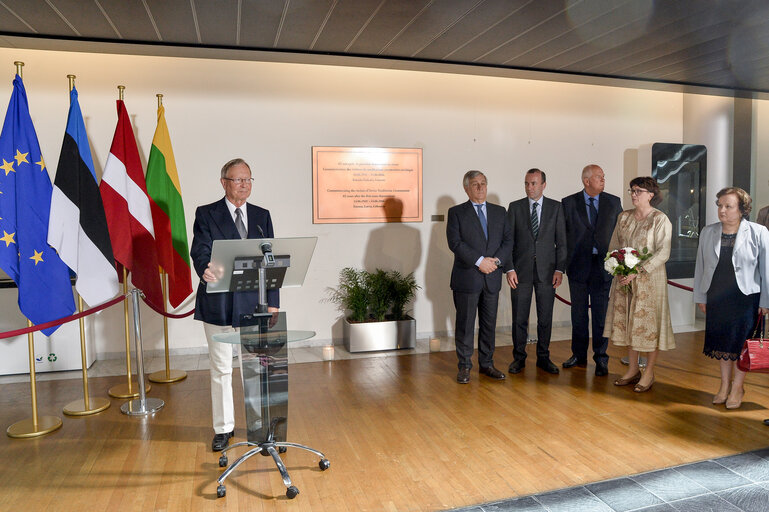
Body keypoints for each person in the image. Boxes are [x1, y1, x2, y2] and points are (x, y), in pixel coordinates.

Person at [190, 158, 279, 451]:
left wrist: (274, 302)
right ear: (224, 182)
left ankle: (260, 428)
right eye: (239, 180)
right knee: (221, 369)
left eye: (248, 180)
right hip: (219, 303)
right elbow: (200, 248)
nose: (244, 185)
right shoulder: (206, 213)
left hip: (255, 303)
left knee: (255, 368)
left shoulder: (261, 215)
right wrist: (203, 266)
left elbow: (272, 259)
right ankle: (223, 428)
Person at [694, 187, 769, 409]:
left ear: (742, 209)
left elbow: (767, 270)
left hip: (745, 298)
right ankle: (724, 385)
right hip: (717, 297)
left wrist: (765, 302)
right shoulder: (708, 232)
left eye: (728, 206)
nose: (722, 210)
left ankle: (738, 387)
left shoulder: (759, 232)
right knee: (722, 343)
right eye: (720, 205)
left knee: (739, 344)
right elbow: (700, 267)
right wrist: (701, 296)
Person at [604, 177, 674, 392]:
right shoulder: (623, 217)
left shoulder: (660, 219)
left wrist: (638, 271)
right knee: (628, 324)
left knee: (649, 326)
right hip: (625, 281)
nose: (633, 194)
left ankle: (649, 372)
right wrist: (617, 268)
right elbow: (614, 247)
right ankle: (632, 369)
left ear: (651, 194)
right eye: (631, 190)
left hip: (650, 281)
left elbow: (664, 252)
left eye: (638, 191)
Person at [447, 170, 513, 384]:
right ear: (466, 188)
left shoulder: (500, 211)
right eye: (475, 184)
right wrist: (479, 261)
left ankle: (487, 364)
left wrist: (495, 262)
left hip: (492, 277)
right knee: (465, 325)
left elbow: (507, 241)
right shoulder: (456, 212)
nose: (480, 187)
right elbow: (455, 243)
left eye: (483, 183)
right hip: (468, 278)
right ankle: (465, 366)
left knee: (489, 324)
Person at [561, 165, 622, 376]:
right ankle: (578, 355)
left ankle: (601, 358)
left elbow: (620, 233)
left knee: (600, 315)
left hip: (603, 267)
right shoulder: (568, 203)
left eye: (604, 176)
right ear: (587, 181)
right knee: (578, 315)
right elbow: (563, 236)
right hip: (577, 266)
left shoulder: (613, 202)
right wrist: (562, 265)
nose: (603, 179)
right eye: (599, 177)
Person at [504, 169, 567, 375]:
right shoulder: (514, 207)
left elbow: (562, 243)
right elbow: (508, 242)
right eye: (526, 184)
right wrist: (509, 268)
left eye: (533, 183)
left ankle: (543, 357)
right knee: (519, 318)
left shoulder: (556, 207)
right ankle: (519, 358)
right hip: (520, 272)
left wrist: (559, 269)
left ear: (543, 185)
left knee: (545, 318)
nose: (529, 188)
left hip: (547, 272)